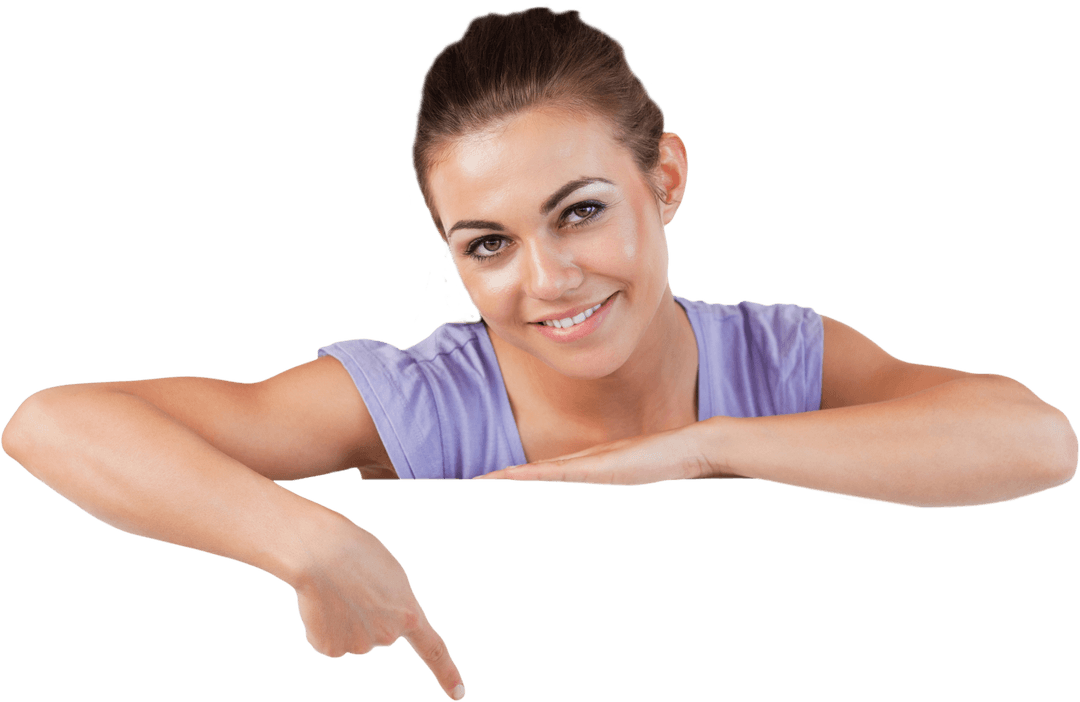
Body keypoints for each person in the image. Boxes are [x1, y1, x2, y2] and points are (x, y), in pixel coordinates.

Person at [2, 5, 1076, 701]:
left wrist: (705, 450)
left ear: (665, 182)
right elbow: (47, 422)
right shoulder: (420, 402)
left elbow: (1036, 440)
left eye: (580, 211)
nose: (549, 279)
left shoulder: (782, 360)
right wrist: (302, 540)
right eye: (489, 244)